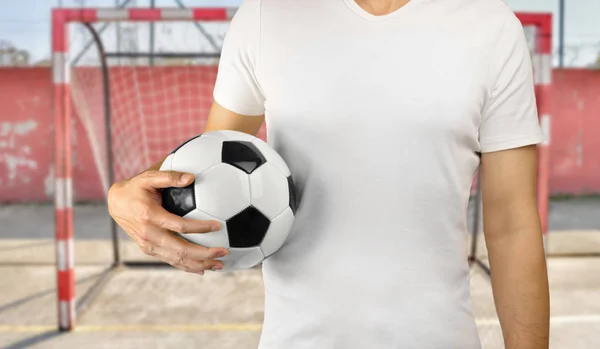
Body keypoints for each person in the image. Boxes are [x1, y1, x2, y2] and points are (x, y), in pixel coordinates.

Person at [108, 0, 550, 347]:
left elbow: (513, 225)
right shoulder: (267, 16)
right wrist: (124, 197)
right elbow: (207, 176)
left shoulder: (490, 26)